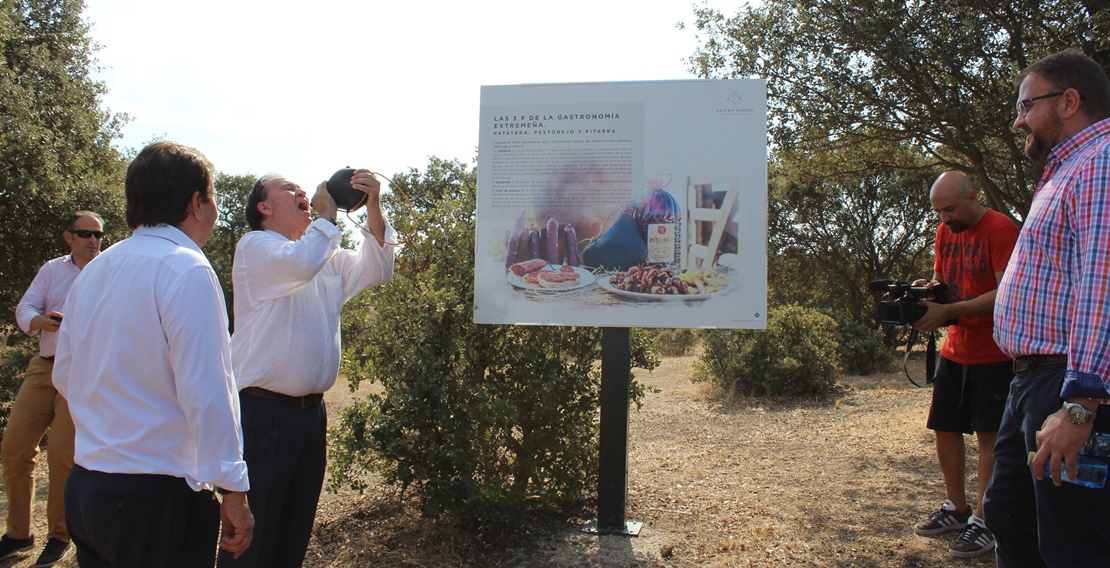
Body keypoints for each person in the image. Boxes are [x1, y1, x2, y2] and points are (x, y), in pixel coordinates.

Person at [53, 141, 254, 566]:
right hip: (155, 499)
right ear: (197, 204)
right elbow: (209, 390)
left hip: (89, 488)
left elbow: (65, 374)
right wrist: (234, 489)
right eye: (212, 198)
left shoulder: (95, 271)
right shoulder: (187, 268)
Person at [217, 169, 396, 568]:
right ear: (265, 207)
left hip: (310, 417)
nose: (302, 191)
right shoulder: (256, 247)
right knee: (253, 535)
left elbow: (379, 266)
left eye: (302, 189)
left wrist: (374, 207)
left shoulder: (323, 258)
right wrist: (328, 216)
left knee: (293, 530)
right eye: (288, 189)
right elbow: (301, 263)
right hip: (263, 414)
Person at [985, 48, 1110, 566]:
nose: (1018, 121)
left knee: (1070, 542)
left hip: (1068, 388)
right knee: (1011, 519)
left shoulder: (1100, 163)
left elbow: (1102, 287)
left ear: (1069, 101)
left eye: (1025, 105)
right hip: (1032, 384)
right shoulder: (1066, 169)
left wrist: (1081, 406)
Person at [909, 171, 1019, 558]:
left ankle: (986, 521)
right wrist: (928, 290)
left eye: (950, 209)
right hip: (955, 349)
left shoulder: (1001, 229)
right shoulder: (944, 232)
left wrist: (950, 310)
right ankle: (957, 508)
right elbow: (944, 280)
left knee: (989, 437)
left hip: (995, 352)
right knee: (945, 427)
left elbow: (1005, 294)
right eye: (938, 212)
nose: (944, 219)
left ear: (973, 196)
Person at [1, 211, 103, 567]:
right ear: (68, 237)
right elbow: (26, 305)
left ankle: (59, 536)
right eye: (85, 233)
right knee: (14, 447)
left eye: (98, 234)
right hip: (43, 367)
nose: (93, 240)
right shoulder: (51, 269)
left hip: (81, 373)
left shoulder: (108, 270)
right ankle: (18, 533)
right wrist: (37, 320)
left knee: (61, 456)